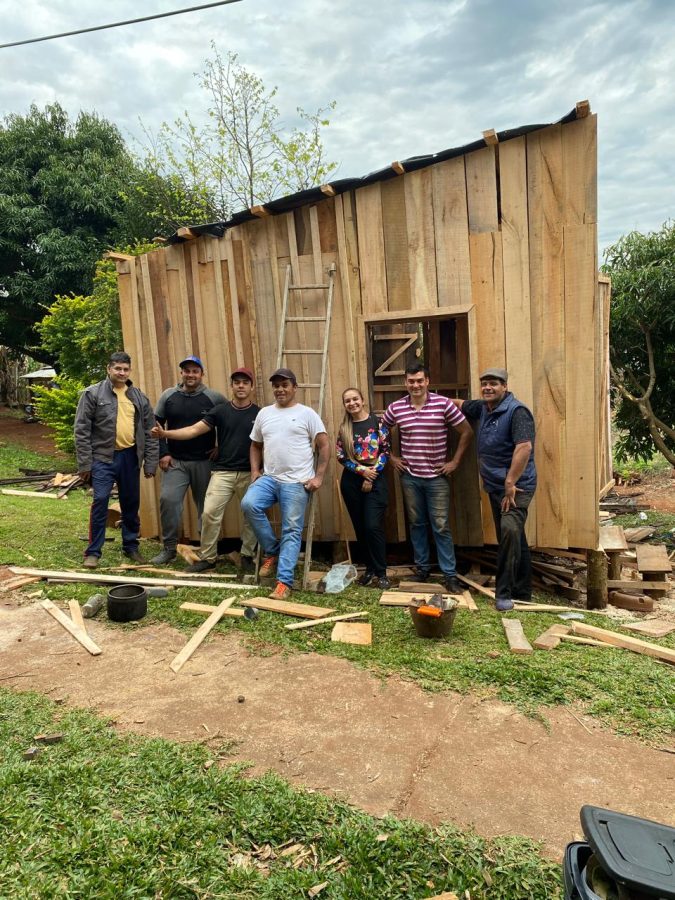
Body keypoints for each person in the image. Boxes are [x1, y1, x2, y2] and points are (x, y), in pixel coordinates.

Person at [151, 367, 260, 573]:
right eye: (237, 382)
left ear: (251, 387)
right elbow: (194, 430)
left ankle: (247, 555)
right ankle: (208, 557)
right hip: (223, 471)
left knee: (252, 513)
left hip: (250, 472)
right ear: (231, 386)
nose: (241, 386)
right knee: (209, 513)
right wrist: (165, 434)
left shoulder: (260, 414)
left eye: (245, 383)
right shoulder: (220, 411)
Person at [240, 368, 330, 601]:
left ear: (294, 388)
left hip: (297, 482)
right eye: (276, 386)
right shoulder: (265, 413)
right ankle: (272, 550)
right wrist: (255, 471)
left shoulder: (307, 414)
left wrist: (318, 477)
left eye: (285, 385)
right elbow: (255, 445)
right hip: (270, 478)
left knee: (291, 529)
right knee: (249, 504)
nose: (280, 389)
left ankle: (283, 583)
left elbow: (324, 445)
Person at [383, 363, 472, 594]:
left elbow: (466, 431)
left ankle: (450, 575)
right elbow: (380, 432)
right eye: (411, 381)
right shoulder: (396, 407)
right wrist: (391, 458)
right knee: (417, 524)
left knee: (441, 526)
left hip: (437, 478)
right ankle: (422, 569)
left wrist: (455, 462)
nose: (416, 385)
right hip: (410, 477)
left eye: (420, 380)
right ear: (406, 383)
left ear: (427, 381)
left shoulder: (443, 404)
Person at [452, 367, 537, 612]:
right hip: (495, 485)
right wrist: (428, 396)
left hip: (516, 487)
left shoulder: (517, 412)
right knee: (513, 536)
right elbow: (460, 403)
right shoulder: (483, 408)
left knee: (509, 531)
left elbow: (524, 447)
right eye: (484, 384)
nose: (488, 388)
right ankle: (523, 591)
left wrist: (510, 483)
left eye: (494, 384)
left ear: (505, 387)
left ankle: (504, 593)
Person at [74, 351, 158, 568]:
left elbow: (151, 431)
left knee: (130, 503)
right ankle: (93, 552)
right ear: (108, 369)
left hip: (130, 457)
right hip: (103, 457)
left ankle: (131, 546)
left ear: (129, 371)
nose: (121, 373)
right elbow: (81, 430)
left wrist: (150, 462)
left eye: (125, 369)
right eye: (117, 368)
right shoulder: (92, 394)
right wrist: (85, 463)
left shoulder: (138, 397)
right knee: (101, 500)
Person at [151, 355, 226, 565]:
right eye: (187, 371)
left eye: (195, 371)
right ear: (182, 373)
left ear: (202, 374)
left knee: (206, 507)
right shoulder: (169, 396)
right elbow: (156, 425)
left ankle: (206, 550)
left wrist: (220, 447)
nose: (191, 375)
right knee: (168, 500)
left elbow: (229, 422)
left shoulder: (214, 398)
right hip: (176, 462)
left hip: (204, 462)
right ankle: (169, 549)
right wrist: (163, 453)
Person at [336, 388, 391, 589]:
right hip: (352, 481)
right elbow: (341, 456)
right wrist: (362, 472)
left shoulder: (378, 423)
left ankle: (381, 572)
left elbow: (385, 451)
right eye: (347, 401)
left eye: (355, 399)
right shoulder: (345, 428)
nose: (352, 403)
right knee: (360, 527)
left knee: (372, 526)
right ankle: (369, 569)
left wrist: (371, 474)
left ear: (362, 400)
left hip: (376, 477)